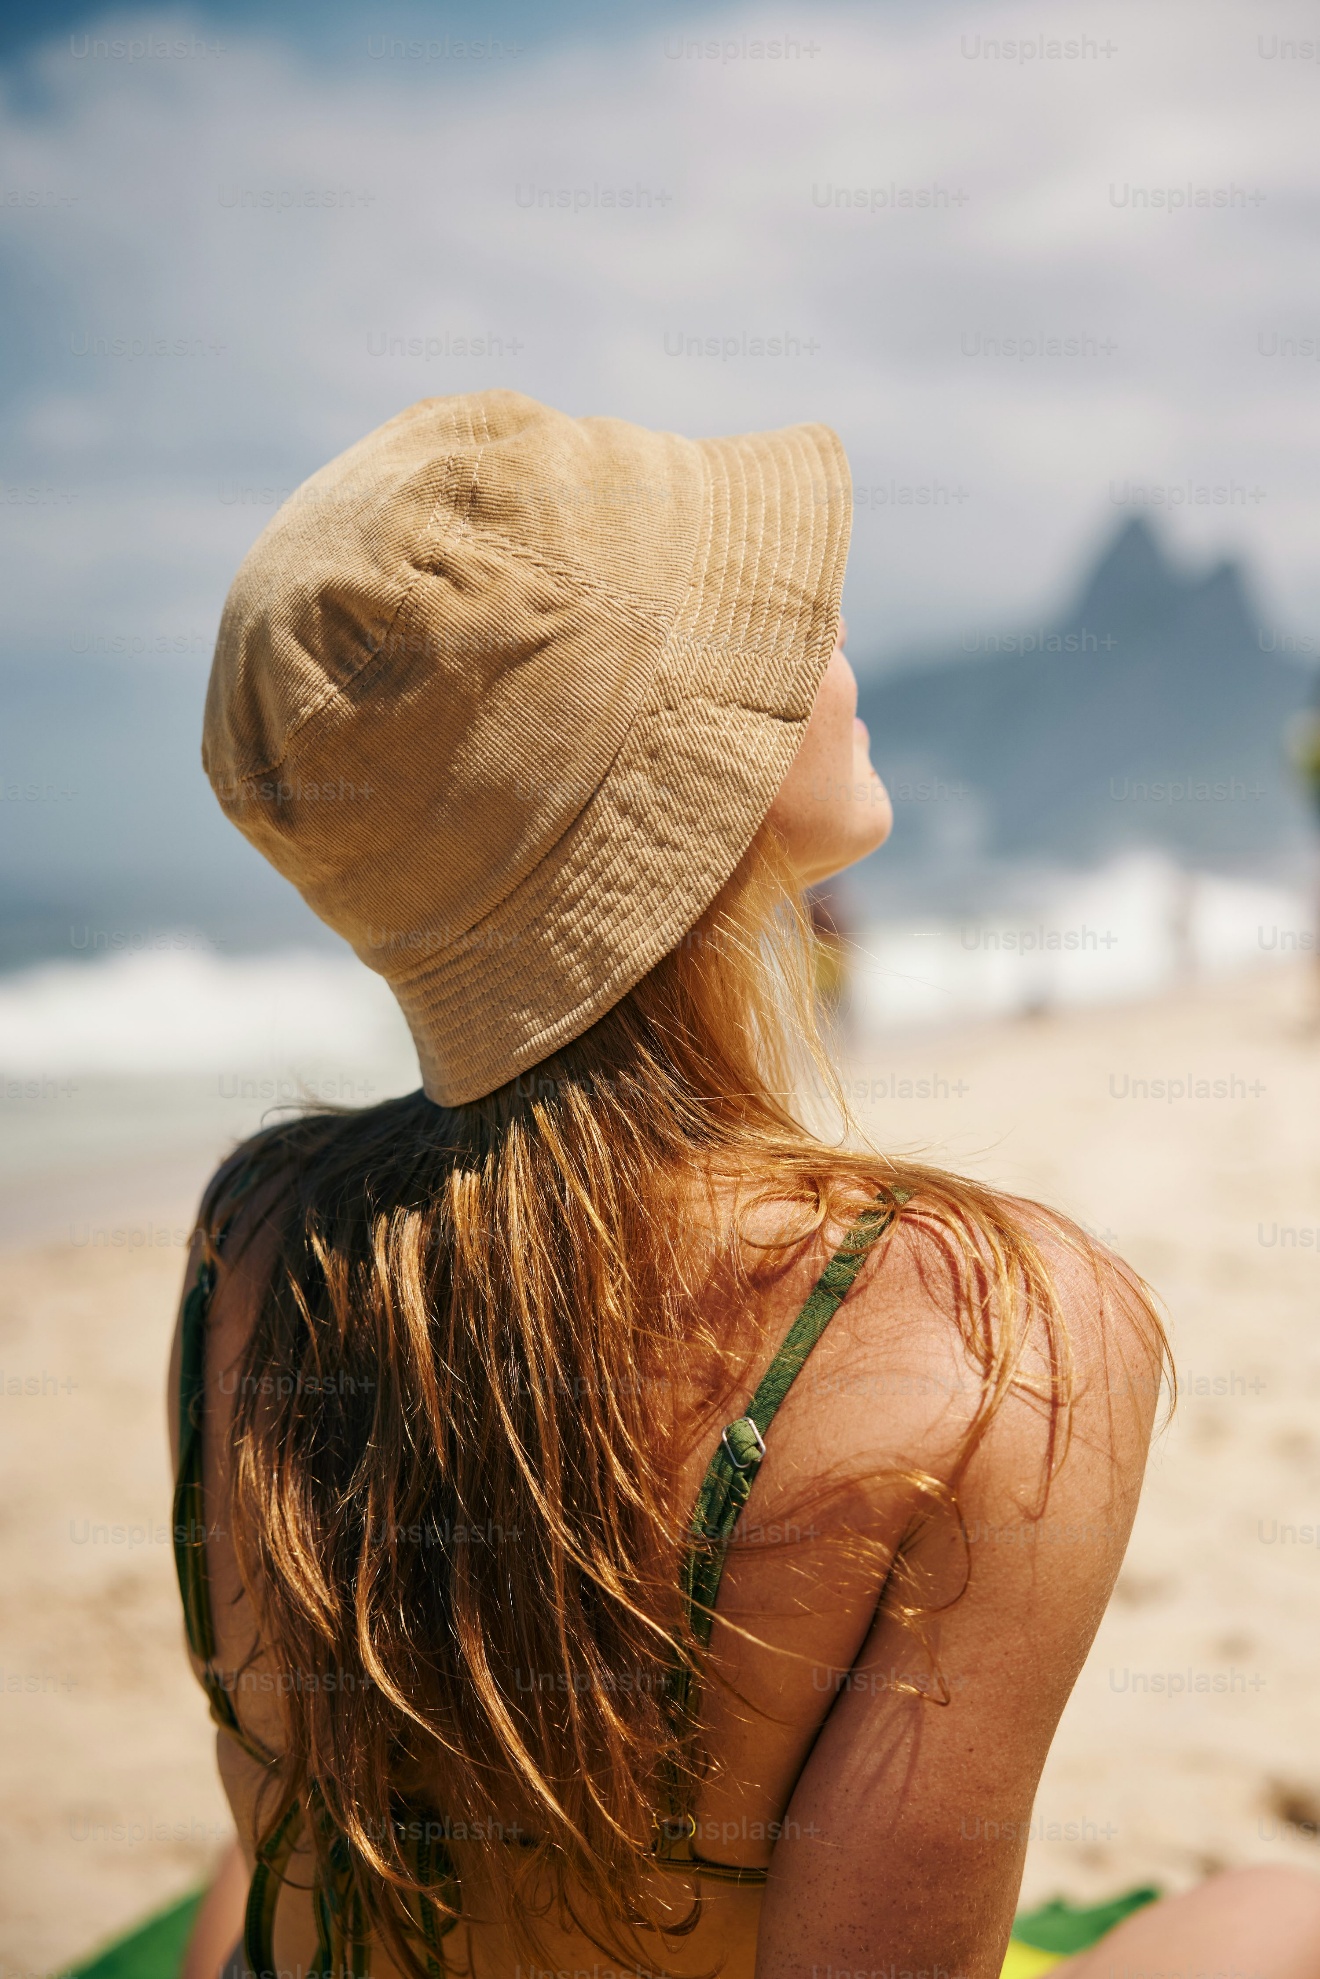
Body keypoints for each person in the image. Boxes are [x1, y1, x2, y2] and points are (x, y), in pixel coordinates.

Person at [171, 392, 1320, 1979]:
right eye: (775, 621)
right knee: (1281, 1913)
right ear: (688, 767)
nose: (836, 635)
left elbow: (287, 1818)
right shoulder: (1002, 1336)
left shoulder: (257, 1228)